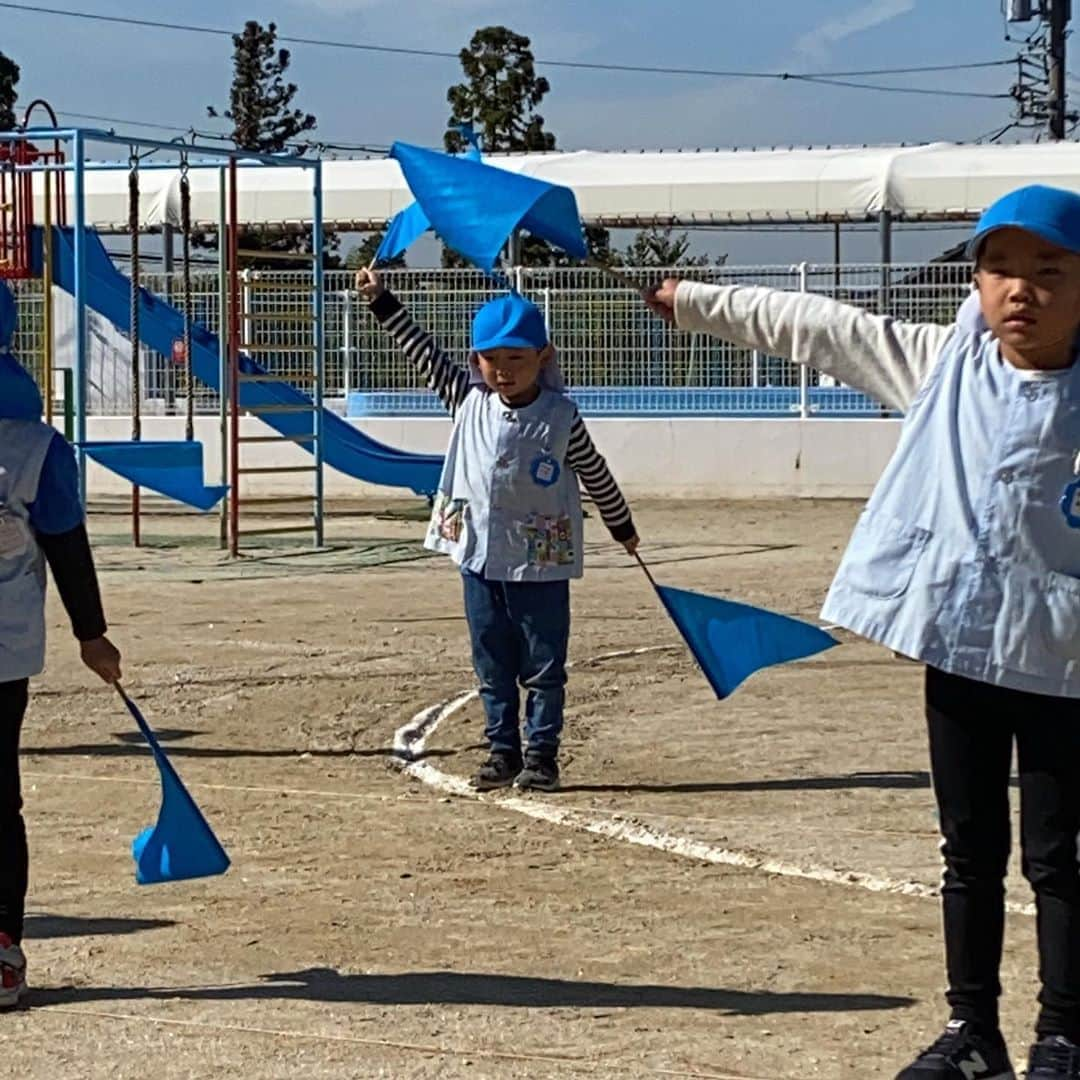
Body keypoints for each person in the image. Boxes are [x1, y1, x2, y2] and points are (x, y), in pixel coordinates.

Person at [645, 185, 1080, 1080]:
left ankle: (1065, 1036)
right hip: (960, 647)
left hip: (1063, 662)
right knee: (969, 850)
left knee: (1058, 858)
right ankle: (974, 1034)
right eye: (999, 269)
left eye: (1050, 271)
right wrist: (696, 301)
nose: (1021, 290)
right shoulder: (941, 364)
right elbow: (820, 328)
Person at [356, 269, 638, 793]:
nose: (503, 372)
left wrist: (621, 525)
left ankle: (542, 756)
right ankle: (502, 750)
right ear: (475, 362)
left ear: (543, 358)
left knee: (543, 662)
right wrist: (380, 299)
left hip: (540, 560)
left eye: (517, 360)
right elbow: (420, 351)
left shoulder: (560, 417)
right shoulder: (467, 402)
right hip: (477, 555)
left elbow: (594, 470)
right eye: (492, 360)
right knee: (491, 658)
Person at [0, 280, 121, 1008]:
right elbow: (68, 546)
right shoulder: (40, 444)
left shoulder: (35, 448)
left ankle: (4, 943)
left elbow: (66, 544)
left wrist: (91, 633)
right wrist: (89, 634)